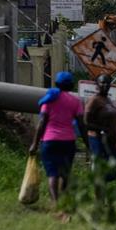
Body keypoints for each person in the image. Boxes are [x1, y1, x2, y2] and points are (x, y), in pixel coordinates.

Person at [29, 72, 89, 207]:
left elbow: (42, 122)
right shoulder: (76, 102)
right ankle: (62, 201)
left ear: (56, 84)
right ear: (71, 86)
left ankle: (55, 203)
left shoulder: (49, 99)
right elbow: (81, 125)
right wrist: (88, 144)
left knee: (53, 174)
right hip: (68, 142)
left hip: (50, 141)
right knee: (65, 173)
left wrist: (34, 144)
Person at [85, 74, 116, 183]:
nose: (105, 85)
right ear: (97, 85)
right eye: (102, 82)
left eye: (107, 83)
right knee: (100, 172)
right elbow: (86, 122)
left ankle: (106, 192)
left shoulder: (108, 100)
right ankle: (98, 193)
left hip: (112, 141)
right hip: (98, 140)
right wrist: (103, 129)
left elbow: (115, 124)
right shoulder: (94, 100)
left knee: (112, 174)